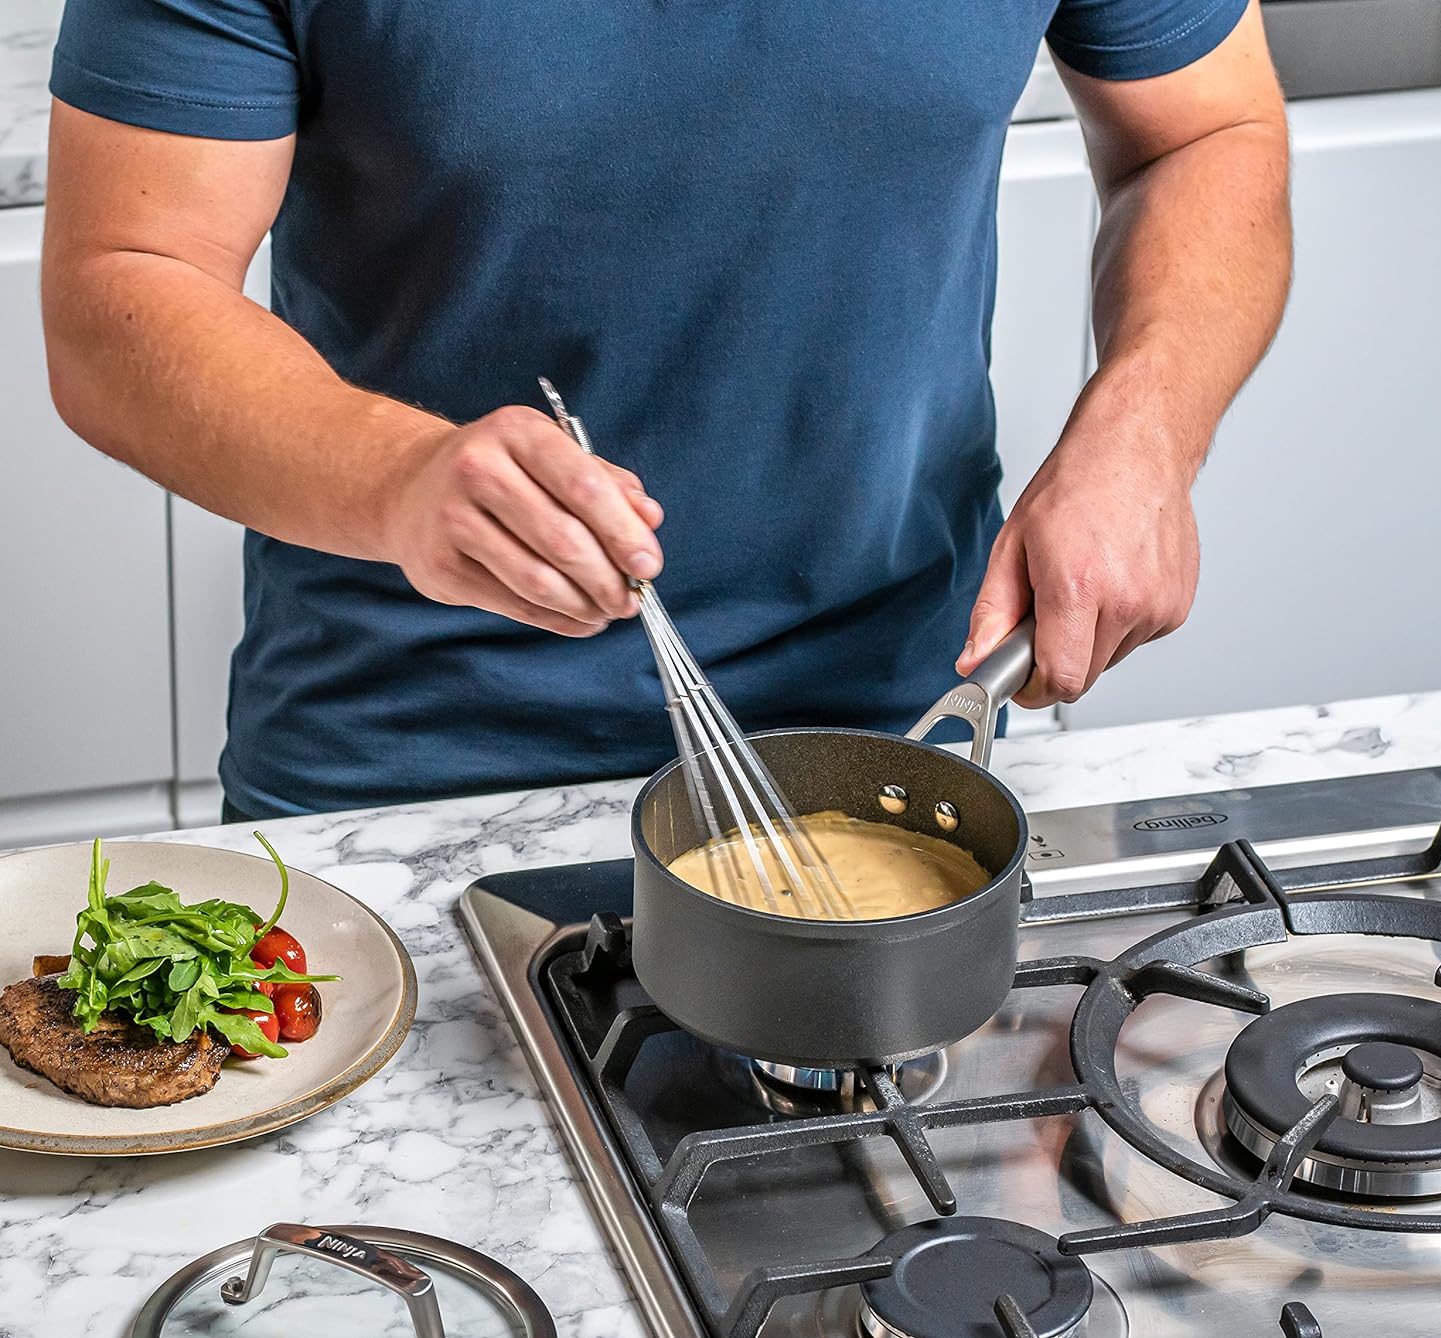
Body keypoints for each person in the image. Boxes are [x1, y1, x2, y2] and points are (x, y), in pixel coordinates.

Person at [41, 0, 1290, 820]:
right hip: (408, 769)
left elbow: (1208, 130)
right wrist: (397, 476)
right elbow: (120, 292)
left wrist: (1145, 432)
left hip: (896, 740)